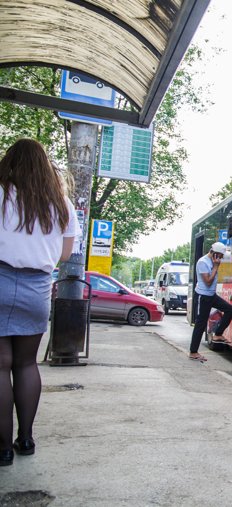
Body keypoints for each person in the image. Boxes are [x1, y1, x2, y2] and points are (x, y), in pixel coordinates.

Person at [0, 139, 77, 466]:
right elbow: (64, 254)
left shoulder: (2, 193)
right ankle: (26, 439)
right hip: (37, 287)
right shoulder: (61, 204)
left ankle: (2, 449)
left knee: (0, 365)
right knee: (26, 364)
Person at [189, 242, 232, 361]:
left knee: (230, 309)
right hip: (203, 296)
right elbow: (208, 281)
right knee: (201, 323)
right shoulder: (203, 262)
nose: (221, 258)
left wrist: (216, 265)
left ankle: (218, 334)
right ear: (214, 253)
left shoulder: (213, 261)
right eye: (219, 255)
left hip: (211, 295)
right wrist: (215, 267)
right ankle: (193, 352)